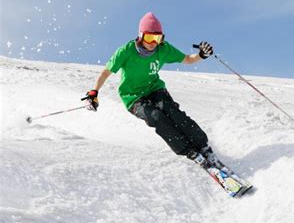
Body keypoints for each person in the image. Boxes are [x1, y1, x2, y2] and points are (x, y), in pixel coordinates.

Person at [82, 12, 222, 168]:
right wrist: (94, 92)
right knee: (156, 117)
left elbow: (188, 59)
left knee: (172, 111)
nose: (152, 43)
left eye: (157, 38)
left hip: (155, 89)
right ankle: (189, 151)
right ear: (141, 36)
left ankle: (202, 145)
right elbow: (106, 72)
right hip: (133, 97)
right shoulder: (126, 51)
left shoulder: (163, 49)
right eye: (149, 38)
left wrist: (202, 54)